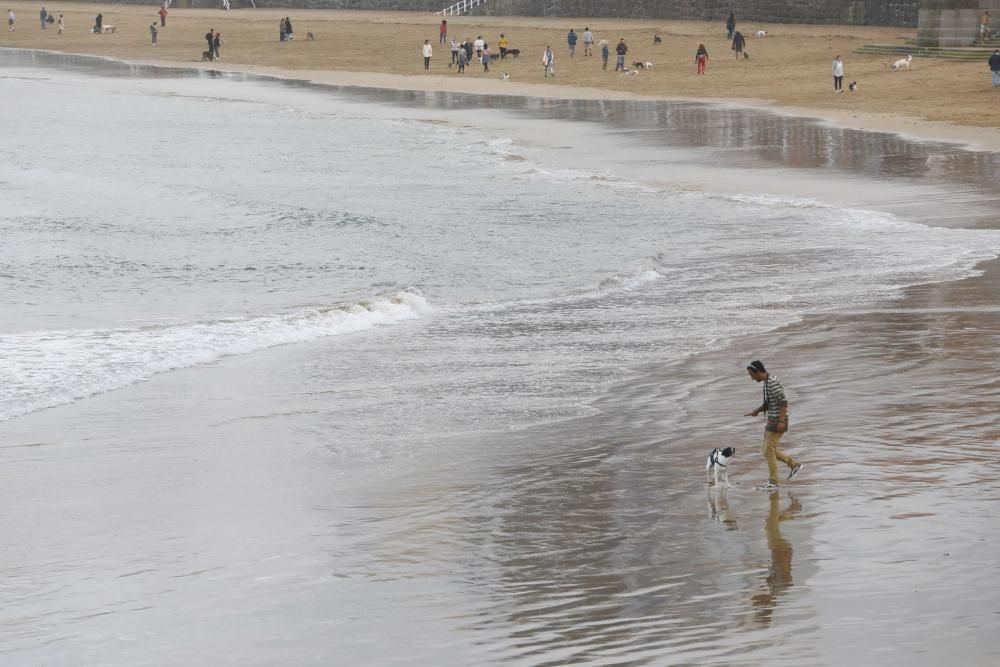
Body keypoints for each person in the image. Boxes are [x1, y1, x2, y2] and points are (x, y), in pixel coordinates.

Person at [744, 360, 803, 492]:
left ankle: (773, 482)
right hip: (772, 420)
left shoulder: (772, 383)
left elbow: (783, 402)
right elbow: (768, 403)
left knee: (769, 451)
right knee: (767, 450)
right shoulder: (767, 382)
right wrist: (757, 411)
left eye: (751, 375)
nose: (751, 378)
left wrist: (781, 422)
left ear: (757, 371)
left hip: (777, 422)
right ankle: (794, 465)